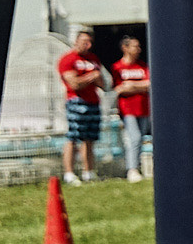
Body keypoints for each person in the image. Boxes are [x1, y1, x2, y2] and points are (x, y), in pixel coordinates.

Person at [56, 28, 109, 185]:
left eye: (90, 42)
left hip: (93, 102)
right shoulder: (68, 59)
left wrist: (95, 78)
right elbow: (74, 83)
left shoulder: (93, 59)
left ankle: (89, 172)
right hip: (76, 101)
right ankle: (69, 173)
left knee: (89, 138)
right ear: (76, 41)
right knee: (73, 136)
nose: (88, 45)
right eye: (85, 41)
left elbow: (103, 84)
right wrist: (91, 76)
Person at [112, 35, 151, 183]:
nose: (138, 49)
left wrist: (132, 86)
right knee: (134, 138)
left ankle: (139, 166)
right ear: (125, 48)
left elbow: (149, 84)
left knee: (141, 138)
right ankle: (132, 169)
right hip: (128, 109)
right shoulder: (118, 67)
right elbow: (119, 89)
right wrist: (139, 86)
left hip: (144, 108)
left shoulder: (142, 66)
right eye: (135, 46)